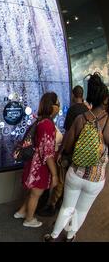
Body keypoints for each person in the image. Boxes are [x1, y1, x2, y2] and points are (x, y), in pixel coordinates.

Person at [44, 73, 109, 242]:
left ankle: (53, 236)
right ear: (105, 100)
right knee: (81, 210)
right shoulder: (108, 121)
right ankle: (70, 236)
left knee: (67, 206)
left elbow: (68, 145)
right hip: (96, 177)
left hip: (76, 172)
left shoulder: (81, 119)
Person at [38, 85, 89, 217]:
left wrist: (61, 151)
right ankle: (63, 203)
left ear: (73, 95)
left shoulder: (72, 110)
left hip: (69, 150)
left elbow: (68, 132)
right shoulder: (87, 109)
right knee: (69, 180)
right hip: (80, 151)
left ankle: (52, 206)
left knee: (60, 180)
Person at [14, 92, 59, 227]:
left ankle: (21, 211)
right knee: (36, 194)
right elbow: (48, 153)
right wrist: (55, 174)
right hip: (40, 166)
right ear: (52, 106)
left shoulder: (40, 120)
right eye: (57, 103)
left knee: (32, 191)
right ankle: (29, 219)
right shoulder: (47, 125)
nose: (59, 106)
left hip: (33, 163)